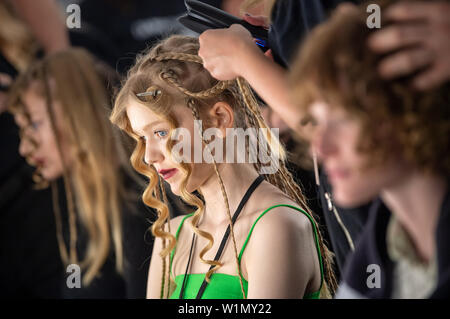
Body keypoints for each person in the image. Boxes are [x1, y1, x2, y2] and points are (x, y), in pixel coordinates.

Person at [109, 35, 337, 299]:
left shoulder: (276, 226)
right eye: (141, 138)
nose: (148, 156)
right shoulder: (172, 236)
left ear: (219, 119)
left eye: (160, 133)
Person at [290, 0, 450, 298]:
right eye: (318, 119)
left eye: (345, 117)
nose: (321, 148)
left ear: (412, 109)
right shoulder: (371, 259)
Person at [7, 48, 155, 298]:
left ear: (78, 116)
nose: (24, 148)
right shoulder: (81, 205)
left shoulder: (139, 208)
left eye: (35, 124)